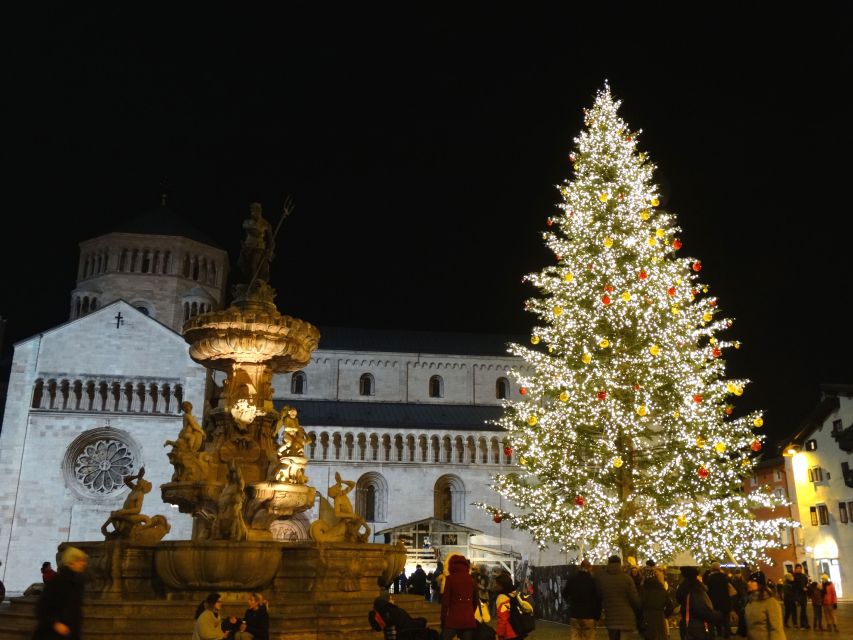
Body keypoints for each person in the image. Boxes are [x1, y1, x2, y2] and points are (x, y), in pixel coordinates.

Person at [32, 546, 88, 640]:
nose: (84, 564)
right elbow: (41, 607)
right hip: (52, 634)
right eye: (80, 561)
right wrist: (56, 624)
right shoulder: (58, 581)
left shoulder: (78, 582)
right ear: (71, 562)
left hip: (69, 631)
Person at [594, 555, 640, 640]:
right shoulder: (627, 578)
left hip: (611, 619)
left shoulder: (602, 579)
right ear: (620, 564)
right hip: (627, 619)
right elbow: (634, 600)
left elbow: (598, 597)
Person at [100, 467, 153, 536]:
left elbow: (137, 510)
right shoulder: (134, 489)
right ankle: (116, 530)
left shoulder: (140, 494)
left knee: (115, 515)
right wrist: (137, 476)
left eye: (143, 481)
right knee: (114, 514)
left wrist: (124, 511)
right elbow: (126, 480)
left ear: (142, 485)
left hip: (131, 515)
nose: (140, 480)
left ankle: (117, 531)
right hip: (125, 513)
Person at [676, 565, 721, 640]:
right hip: (698, 627)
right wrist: (716, 615)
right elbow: (699, 610)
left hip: (689, 625)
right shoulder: (694, 590)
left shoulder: (683, 587)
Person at [441, 553, 478, 640]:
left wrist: (443, 619)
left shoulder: (450, 579)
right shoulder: (472, 580)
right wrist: (471, 612)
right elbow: (475, 601)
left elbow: (445, 602)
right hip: (468, 619)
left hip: (453, 619)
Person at [562, 559, 601, 640]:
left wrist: (570, 602)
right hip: (588, 614)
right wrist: (597, 616)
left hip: (575, 614)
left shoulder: (572, 579)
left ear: (580, 567)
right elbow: (598, 599)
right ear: (590, 568)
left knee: (575, 635)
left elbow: (565, 593)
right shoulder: (593, 580)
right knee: (589, 636)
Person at [237, 202, 275, 282]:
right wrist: (256, 229)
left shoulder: (266, 224)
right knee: (245, 266)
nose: (253, 213)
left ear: (259, 211)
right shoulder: (247, 222)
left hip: (259, 247)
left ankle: (254, 283)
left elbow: (271, 240)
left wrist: (271, 249)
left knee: (253, 264)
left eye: (255, 210)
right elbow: (247, 227)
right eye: (252, 210)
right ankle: (251, 282)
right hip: (247, 247)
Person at [743, 571, 785, 640]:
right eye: (748, 581)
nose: (748, 583)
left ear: (759, 584)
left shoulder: (770, 602)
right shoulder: (750, 601)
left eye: (752, 581)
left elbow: (776, 629)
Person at [495, 571, 533, 640]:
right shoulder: (513, 594)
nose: (495, 586)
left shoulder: (502, 598)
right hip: (519, 629)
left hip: (509, 633)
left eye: (497, 584)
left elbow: (503, 618)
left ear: (502, 585)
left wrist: (500, 634)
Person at [639, 567, 674, 640]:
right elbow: (670, 606)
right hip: (659, 618)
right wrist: (664, 615)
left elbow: (638, 605)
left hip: (647, 618)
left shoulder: (642, 590)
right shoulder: (661, 589)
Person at [704, 561, 734, 638]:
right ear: (719, 568)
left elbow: (708, 590)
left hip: (715, 602)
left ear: (712, 569)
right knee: (726, 619)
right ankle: (727, 634)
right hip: (725, 601)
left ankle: (719, 633)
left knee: (716, 619)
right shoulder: (724, 577)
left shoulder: (710, 578)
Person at [791, 565, 809, 629]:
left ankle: (804, 624)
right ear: (795, 569)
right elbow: (794, 586)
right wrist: (802, 588)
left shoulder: (804, 576)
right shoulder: (793, 576)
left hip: (803, 595)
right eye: (797, 568)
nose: (799, 569)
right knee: (796, 611)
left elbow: (806, 583)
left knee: (804, 610)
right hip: (797, 595)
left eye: (800, 568)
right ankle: (797, 624)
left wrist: (806, 588)